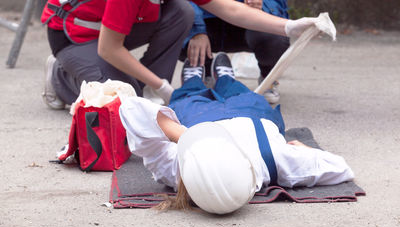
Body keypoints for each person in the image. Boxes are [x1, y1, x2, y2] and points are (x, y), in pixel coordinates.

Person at [119, 53, 354, 214]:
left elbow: (131, 109)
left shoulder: (178, 173)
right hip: (251, 113)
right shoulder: (277, 158)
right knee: (239, 90)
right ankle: (226, 78)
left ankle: (192, 79)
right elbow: (341, 168)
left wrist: (186, 136)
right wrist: (306, 150)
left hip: (196, 117)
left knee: (186, 96)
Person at [41, 0, 319, 110]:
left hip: (112, 26)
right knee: (123, 102)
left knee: (181, 11)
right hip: (74, 35)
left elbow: (230, 9)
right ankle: (61, 76)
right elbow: (109, 48)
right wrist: (165, 89)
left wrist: (289, 26)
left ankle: (145, 87)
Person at [180, 0, 290, 104]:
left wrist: (262, 6)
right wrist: (197, 30)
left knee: (273, 33)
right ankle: (207, 73)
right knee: (176, 23)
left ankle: (268, 76)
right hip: (206, 18)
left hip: (245, 20)